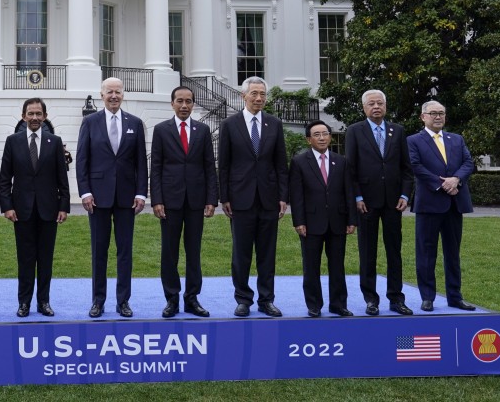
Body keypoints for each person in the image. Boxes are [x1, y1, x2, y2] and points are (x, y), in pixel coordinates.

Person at [76, 77, 147, 318]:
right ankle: (98, 301)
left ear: (123, 94)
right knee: (99, 251)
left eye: (118, 92)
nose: (114, 96)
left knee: (124, 251)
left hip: (127, 198)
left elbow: (141, 162)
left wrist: (141, 193)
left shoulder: (135, 123)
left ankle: (123, 301)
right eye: (109, 92)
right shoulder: (90, 122)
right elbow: (82, 160)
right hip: (97, 198)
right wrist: (85, 191)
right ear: (101, 95)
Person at [218, 76, 289, 317]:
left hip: (269, 198)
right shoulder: (229, 125)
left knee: (267, 252)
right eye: (254, 94)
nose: (259, 98)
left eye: (262, 94)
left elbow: (281, 163)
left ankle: (266, 299)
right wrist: (224, 196)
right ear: (243, 96)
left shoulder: (274, 124)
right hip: (240, 198)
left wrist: (283, 196)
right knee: (242, 252)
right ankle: (243, 299)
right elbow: (224, 165)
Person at [0, 98, 70, 317]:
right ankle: (24, 302)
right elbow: (4, 178)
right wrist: (7, 206)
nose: (35, 118)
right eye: (31, 114)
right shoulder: (13, 141)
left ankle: (44, 302)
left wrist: (64, 206)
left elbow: (62, 178)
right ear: (24, 116)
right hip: (22, 211)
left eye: (39, 114)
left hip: (49, 210)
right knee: (25, 259)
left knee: (45, 259)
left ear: (45, 117)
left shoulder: (54, 142)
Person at [345, 89, 414, 316]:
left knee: (394, 251)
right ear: (364, 108)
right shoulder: (355, 131)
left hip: (394, 202)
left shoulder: (398, 131)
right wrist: (357, 197)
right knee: (368, 252)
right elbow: (350, 169)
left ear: (385, 106)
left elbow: (406, 169)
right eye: (371, 104)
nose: (376, 107)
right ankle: (371, 299)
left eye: (380, 103)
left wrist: (405, 195)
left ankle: (396, 298)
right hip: (366, 201)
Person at [150, 86, 217, 318]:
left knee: (193, 252)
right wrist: (156, 200)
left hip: (196, 201)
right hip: (169, 201)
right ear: (172, 104)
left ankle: (192, 298)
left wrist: (211, 199)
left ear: (194, 104)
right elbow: (156, 167)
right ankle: (172, 299)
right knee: (169, 253)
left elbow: (210, 166)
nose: (184, 105)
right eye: (180, 101)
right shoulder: (161, 130)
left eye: (188, 101)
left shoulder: (202, 130)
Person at [407, 101, 476, 312]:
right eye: (433, 113)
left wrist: (455, 179)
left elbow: (468, 163)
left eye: (441, 113)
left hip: (455, 203)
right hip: (429, 204)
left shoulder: (456, 139)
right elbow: (415, 165)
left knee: (453, 253)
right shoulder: (413, 141)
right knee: (426, 253)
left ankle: (455, 296)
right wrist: (442, 184)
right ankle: (427, 297)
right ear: (423, 117)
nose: (438, 117)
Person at [289, 120, 357, 318]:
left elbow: (348, 192)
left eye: (325, 133)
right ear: (309, 139)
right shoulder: (299, 162)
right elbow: (297, 195)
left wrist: (351, 220)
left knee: (337, 265)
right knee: (311, 266)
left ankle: (338, 304)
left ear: (330, 136)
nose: (322, 138)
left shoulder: (341, 161)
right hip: (310, 224)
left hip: (337, 222)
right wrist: (298, 221)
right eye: (317, 134)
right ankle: (314, 305)